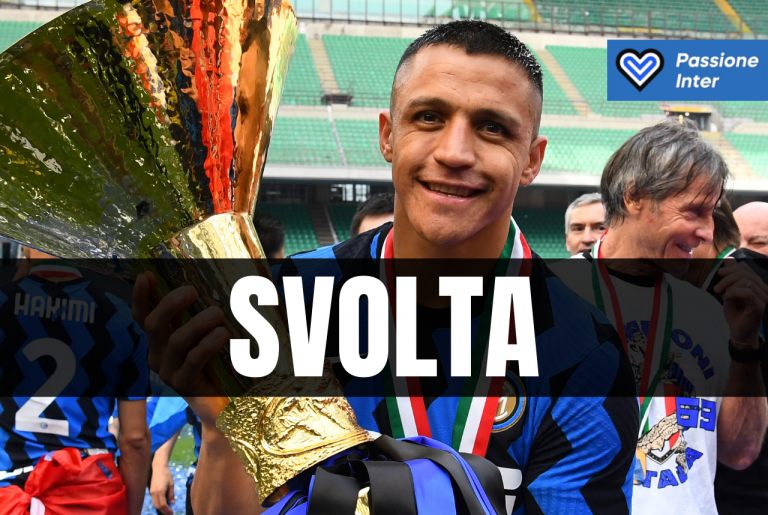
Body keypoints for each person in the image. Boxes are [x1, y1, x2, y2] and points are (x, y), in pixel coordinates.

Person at [134, 21, 639, 515]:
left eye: (492, 127)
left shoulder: (584, 353)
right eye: (429, 117)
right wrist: (222, 428)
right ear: (387, 135)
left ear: (531, 159)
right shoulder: (286, 302)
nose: (454, 152)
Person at [551, 119, 768, 515]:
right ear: (635, 196)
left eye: (711, 214)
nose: (707, 232)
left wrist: (746, 346)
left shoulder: (709, 310)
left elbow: (741, 453)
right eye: (695, 212)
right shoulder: (548, 293)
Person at [0, 248, 152, 515]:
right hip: (88, 492)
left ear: (25, 247)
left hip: (8, 491)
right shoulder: (121, 317)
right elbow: (135, 437)